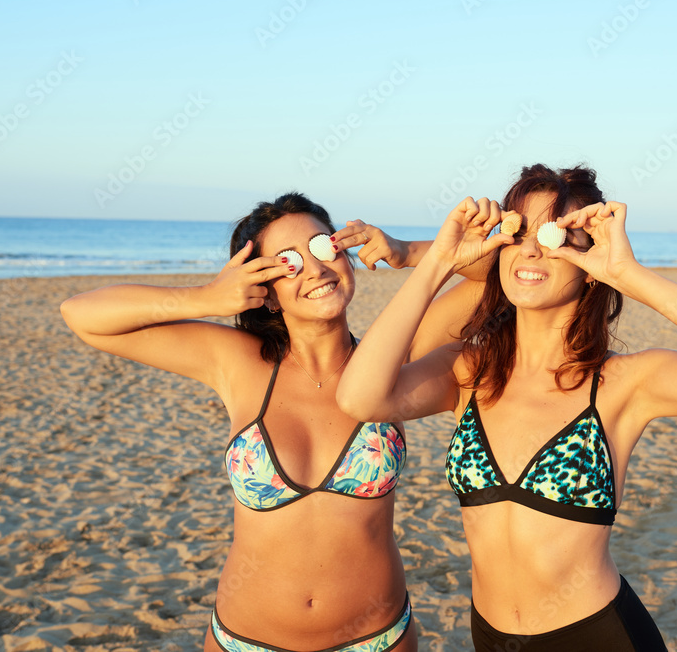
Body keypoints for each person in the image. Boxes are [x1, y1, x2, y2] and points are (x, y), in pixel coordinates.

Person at [336, 164, 677, 650]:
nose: (532, 249)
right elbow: (360, 396)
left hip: (596, 636)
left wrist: (629, 275)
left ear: (588, 265)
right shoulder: (468, 370)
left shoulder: (623, 383)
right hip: (492, 636)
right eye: (517, 232)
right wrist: (437, 259)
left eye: (554, 234)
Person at [60, 192, 485, 652]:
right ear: (266, 293)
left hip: (376, 638)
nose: (316, 269)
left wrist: (407, 252)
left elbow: (491, 276)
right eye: (288, 263)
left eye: (324, 247)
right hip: (247, 639)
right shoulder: (236, 362)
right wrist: (206, 297)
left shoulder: (394, 357)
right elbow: (82, 315)